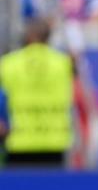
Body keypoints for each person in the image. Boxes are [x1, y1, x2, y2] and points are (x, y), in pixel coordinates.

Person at [0, 19, 74, 168]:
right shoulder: (64, 63)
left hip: (18, 140)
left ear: (27, 37)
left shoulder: (8, 63)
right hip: (54, 140)